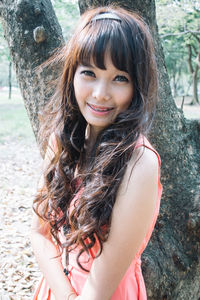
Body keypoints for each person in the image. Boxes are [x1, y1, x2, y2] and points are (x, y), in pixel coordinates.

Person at [31, 5, 163, 300]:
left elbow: (98, 293)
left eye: (119, 78)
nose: (101, 93)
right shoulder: (63, 141)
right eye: (89, 72)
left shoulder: (139, 162)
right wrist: (63, 293)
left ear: (136, 86)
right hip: (56, 289)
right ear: (72, 75)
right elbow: (39, 234)